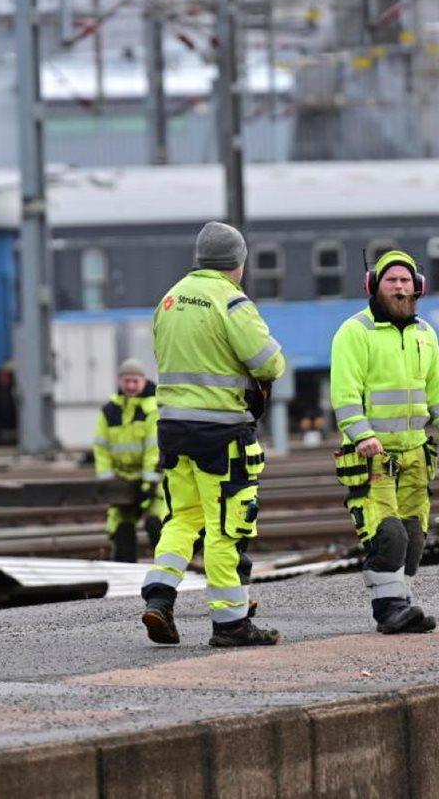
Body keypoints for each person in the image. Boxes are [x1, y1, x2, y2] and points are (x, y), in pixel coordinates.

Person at [140, 221, 286, 648]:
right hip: (220, 433)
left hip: (172, 429)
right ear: (238, 262)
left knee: (183, 517)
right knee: (227, 527)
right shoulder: (231, 301)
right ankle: (231, 624)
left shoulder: (169, 299)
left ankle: (159, 598)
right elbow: (269, 363)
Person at [330, 250, 439, 634]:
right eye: (392, 281)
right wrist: (363, 435)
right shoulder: (354, 332)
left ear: (418, 287)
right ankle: (389, 611)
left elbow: (438, 388)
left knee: (414, 537)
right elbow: (345, 393)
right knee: (387, 533)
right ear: (374, 285)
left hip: (417, 453)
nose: (400, 287)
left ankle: (401, 605)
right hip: (374, 455)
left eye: (406, 280)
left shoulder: (425, 334)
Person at [94, 358, 164, 563]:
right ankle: (126, 571)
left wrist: (149, 482)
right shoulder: (109, 411)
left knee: (157, 525)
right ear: (120, 381)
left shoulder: (153, 409)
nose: (131, 386)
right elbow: (101, 448)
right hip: (122, 480)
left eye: (135, 381)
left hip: (153, 479)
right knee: (121, 529)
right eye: (127, 381)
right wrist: (108, 482)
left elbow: (155, 448)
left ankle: (169, 572)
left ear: (144, 381)